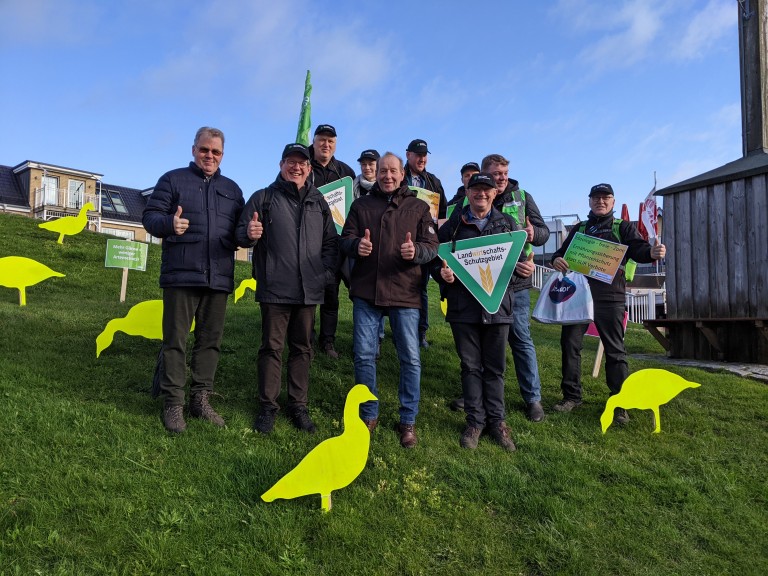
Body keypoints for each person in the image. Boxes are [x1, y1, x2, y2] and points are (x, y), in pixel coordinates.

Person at [142, 126, 244, 434]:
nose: (209, 156)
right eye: (204, 150)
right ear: (193, 150)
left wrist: (250, 237)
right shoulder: (172, 180)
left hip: (218, 278)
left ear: (222, 155)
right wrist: (170, 224)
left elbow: (239, 232)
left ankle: (201, 399)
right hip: (181, 276)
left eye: (215, 152)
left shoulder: (233, 189)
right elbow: (150, 218)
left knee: (209, 343)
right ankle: (173, 404)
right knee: (176, 342)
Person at [235, 143, 339, 434]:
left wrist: (326, 274)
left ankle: (298, 406)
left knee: (303, 349)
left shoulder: (319, 202)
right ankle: (268, 407)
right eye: (291, 162)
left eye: (302, 163)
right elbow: (241, 234)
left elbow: (331, 242)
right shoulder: (263, 197)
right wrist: (248, 234)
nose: (297, 167)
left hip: (309, 290)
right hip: (275, 289)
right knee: (271, 348)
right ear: (281, 164)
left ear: (309, 168)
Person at [340, 152, 438, 448]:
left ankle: (408, 419)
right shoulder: (360, 205)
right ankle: (369, 414)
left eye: (393, 170)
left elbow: (432, 246)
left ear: (402, 174)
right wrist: (358, 245)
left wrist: (416, 252)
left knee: (410, 358)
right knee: (363, 356)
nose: (387, 175)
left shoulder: (419, 207)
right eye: (383, 170)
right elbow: (344, 239)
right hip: (367, 292)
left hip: (405, 293)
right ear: (377, 173)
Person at [551, 183, 666, 424]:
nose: (600, 201)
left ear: (613, 202)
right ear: (590, 201)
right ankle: (571, 396)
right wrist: (557, 259)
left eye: (606, 197)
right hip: (578, 297)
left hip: (610, 297)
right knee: (570, 345)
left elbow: (639, 249)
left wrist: (652, 254)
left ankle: (620, 403)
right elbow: (560, 253)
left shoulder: (622, 227)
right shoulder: (579, 228)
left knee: (615, 350)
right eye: (596, 198)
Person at [450, 154, 551, 422]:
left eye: (505, 172)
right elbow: (448, 235)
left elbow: (543, 232)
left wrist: (533, 234)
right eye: (496, 173)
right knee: (479, 345)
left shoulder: (523, 197)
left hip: (514, 283)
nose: (502, 177)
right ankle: (476, 396)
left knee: (520, 340)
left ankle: (533, 398)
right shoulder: (467, 200)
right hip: (476, 286)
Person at [432, 173, 520, 451]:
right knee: (470, 367)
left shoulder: (508, 225)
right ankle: (475, 422)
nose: (481, 194)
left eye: (487, 189)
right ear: (467, 193)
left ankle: (498, 422)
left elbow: (517, 268)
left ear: (495, 194)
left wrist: (524, 270)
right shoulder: (452, 227)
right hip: (463, 308)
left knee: (495, 368)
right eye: (476, 189)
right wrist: (442, 274)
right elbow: (435, 263)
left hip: (498, 308)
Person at [308, 124, 356, 360]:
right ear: (314, 141)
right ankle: (305, 340)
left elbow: (354, 208)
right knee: (306, 294)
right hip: (305, 242)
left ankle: (327, 342)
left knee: (331, 294)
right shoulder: (301, 164)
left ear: (335, 144)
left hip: (334, 245)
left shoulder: (346, 172)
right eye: (321, 140)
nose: (326, 145)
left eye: (331, 141)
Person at [402, 138, 447, 348]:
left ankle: (420, 333)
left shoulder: (434, 182)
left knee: (421, 288)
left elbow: (443, 214)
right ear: (408, 155)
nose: (422, 159)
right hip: (400, 240)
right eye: (417, 154)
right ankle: (391, 334)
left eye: (424, 155)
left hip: (425, 243)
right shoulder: (399, 177)